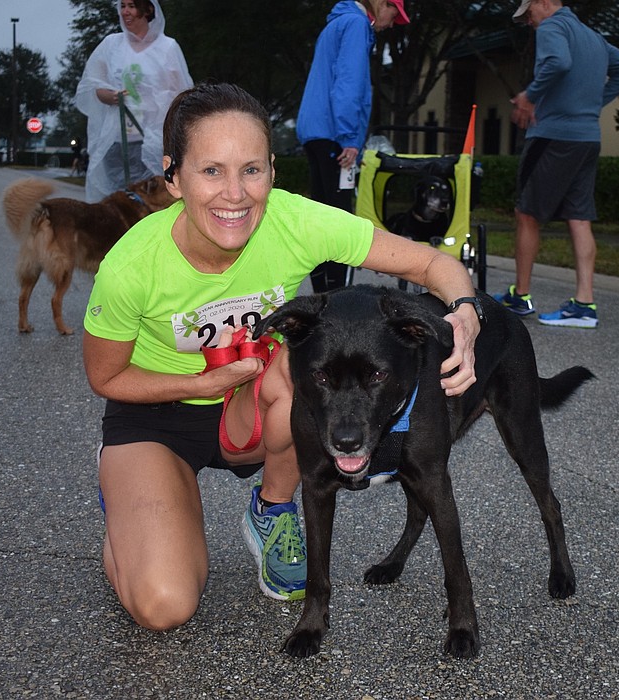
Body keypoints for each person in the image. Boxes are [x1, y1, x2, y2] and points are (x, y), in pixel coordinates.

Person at [81, 81, 482, 631]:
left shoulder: (295, 221)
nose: (235, 194)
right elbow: (106, 376)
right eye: (211, 171)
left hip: (259, 399)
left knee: (311, 370)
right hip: (158, 416)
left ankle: (272, 510)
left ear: (272, 170)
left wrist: (464, 312)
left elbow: (430, 264)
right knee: (165, 605)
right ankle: (131, 520)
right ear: (173, 178)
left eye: (251, 169)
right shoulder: (130, 266)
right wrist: (200, 387)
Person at [494, 0, 619, 328]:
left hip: (554, 137)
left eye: (529, 14)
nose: (530, 23)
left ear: (544, 4)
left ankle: (521, 296)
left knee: (526, 213)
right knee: (579, 217)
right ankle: (584, 305)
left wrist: (531, 96)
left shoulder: (552, 27)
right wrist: (591, 104)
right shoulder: (592, 37)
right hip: (587, 138)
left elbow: (558, 62)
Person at [296, 0, 410, 293]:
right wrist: (349, 138)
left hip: (316, 132)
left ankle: (322, 293)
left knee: (321, 218)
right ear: (381, 4)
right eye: (393, 13)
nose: (390, 22)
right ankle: (337, 297)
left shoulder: (336, 22)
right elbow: (348, 83)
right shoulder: (357, 25)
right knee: (340, 222)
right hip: (335, 135)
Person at [75, 0, 193, 203]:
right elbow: (93, 84)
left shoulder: (167, 48)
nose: (125, 12)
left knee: (150, 203)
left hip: (152, 143)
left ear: (147, 9)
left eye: (131, 6)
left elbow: (182, 96)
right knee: (116, 204)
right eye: (122, 6)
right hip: (116, 142)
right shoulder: (111, 45)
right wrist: (110, 96)